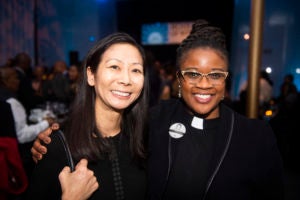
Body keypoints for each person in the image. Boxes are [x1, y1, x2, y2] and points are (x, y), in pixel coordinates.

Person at [31, 20, 284, 200]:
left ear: (226, 79)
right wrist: (50, 140)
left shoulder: (255, 136)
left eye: (215, 75)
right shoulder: (156, 121)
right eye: (192, 74)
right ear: (179, 79)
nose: (204, 84)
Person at [26, 32, 149, 200]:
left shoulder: (145, 138)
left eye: (135, 70)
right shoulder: (57, 145)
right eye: (114, 67)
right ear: (91, 75)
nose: (126, 79)